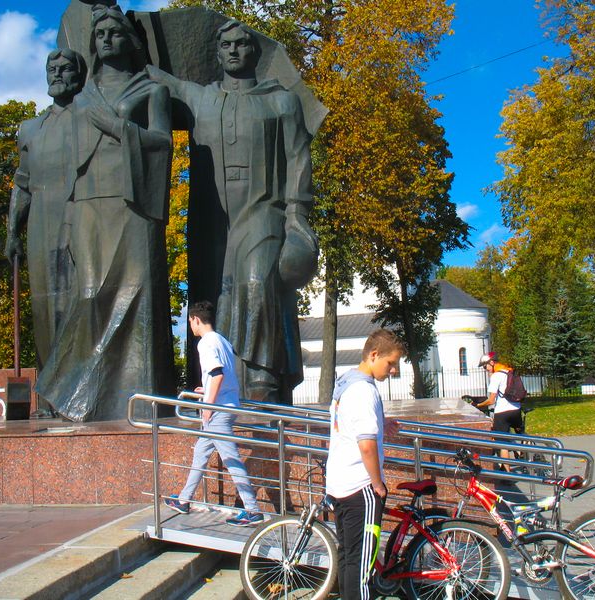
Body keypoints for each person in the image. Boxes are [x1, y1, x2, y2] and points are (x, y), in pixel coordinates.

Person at [149, 20, 318, 405]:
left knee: (257, 280)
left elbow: (298, 159)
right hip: (213, 218)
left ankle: (262, 379)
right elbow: (156, 80)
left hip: (264, 209)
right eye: (226, 45)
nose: (234, 50)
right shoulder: (201, 98)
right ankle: (216, 380)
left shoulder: (280, 100)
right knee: (215, 298)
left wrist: (297, 215)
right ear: (217, 53)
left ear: (254, 51)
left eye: (242, 44)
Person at [34, 4, 175, 421]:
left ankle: (140, 398)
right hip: (90, 203)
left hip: (133, 203)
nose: (107, 40)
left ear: (130, 42)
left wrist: (118, 128)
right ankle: (74, 394)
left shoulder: (151, 90)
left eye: (115, 33)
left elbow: (163, 143)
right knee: (90, 294)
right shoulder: (82, 99)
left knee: (136, 294)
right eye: (100, 36)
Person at [5, 48, 87, 415]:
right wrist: (12, 232)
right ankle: (50, 399)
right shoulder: (30, 128)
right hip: (40, 225)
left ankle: (77, 396)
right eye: (51, 68)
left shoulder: (89, 120)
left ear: (79, 76)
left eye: (65, 68)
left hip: (80, 221)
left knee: (74, 306)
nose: (57, 73)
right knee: (43, 309)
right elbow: (21, 184)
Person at [165, 300, 263, 527]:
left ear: (196, 320)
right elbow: (221, 375)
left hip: (218, 411)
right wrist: (206, 388)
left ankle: (252, 509)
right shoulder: (222, 340)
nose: (190, 327)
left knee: (231, 458)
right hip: (226, 405)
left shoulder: (205, 343)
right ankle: (184, 500)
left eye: (190, 322)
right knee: (200, 453)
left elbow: (217, 375)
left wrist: (208, 406)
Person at [326, 329, 405, 600]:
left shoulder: (347, 383)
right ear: (374, 355)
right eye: (390, 363)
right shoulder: (363, 391)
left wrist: (381, 423)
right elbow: (367, 445)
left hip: (340, 485)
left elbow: (349, 424)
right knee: (362, 568)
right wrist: (377, 484)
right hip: (360, 488)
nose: (393, 370)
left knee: (349, 559)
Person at [475, 352, 523, 471]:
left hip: (503, 413)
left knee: (502, 443)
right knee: (520, 433)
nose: (485, 369)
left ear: (491, 362)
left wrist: (479, 405)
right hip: (516, 409)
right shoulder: (509, 371)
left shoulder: (496, 376)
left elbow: (491, 400)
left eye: (485, 366)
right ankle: (525, 453)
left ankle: (506, 471)